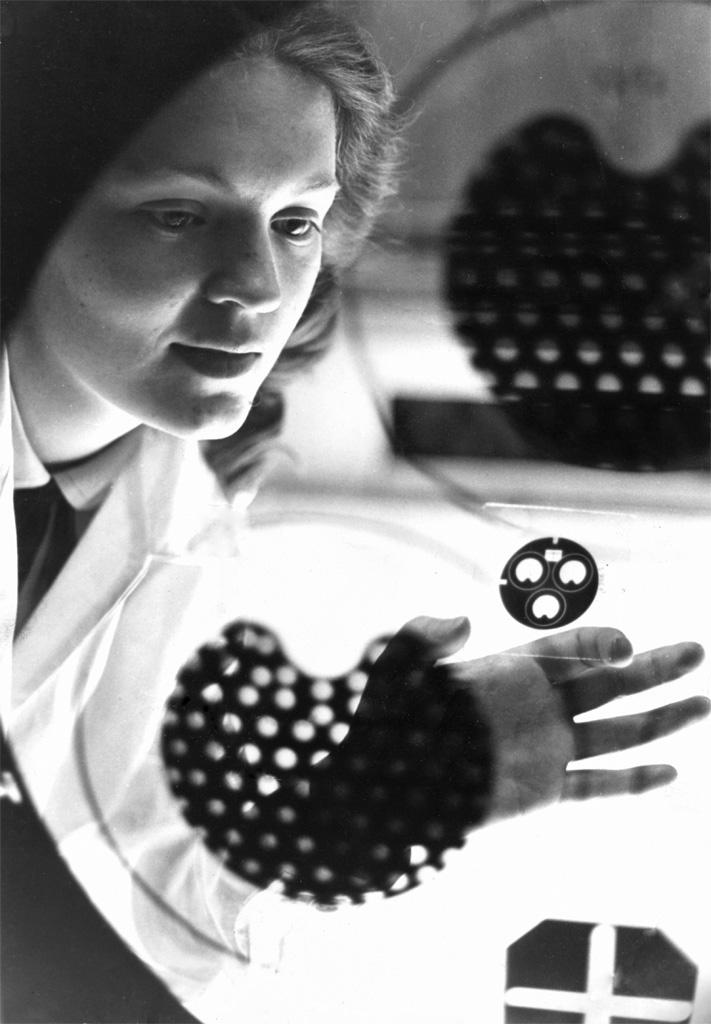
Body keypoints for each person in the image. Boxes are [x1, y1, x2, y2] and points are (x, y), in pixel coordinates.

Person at [1, 2, 707, 1021]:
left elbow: (145, 909)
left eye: (295, 223)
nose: (256, 285)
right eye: (177, 214)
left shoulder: (178, 500)